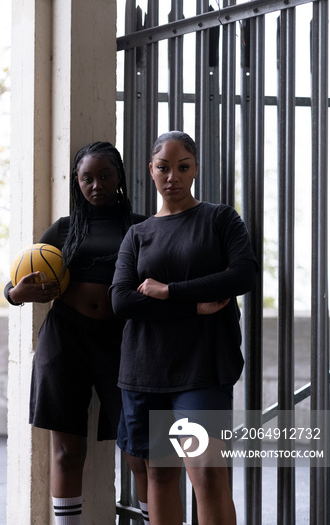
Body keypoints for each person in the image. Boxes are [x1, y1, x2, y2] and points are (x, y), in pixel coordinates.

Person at [110, 131, 258, 525]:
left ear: (195, 170)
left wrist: (167, 290)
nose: (172, 176)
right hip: (144, 369)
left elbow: (242, 276)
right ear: (151, 171)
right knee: (159, 473)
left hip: (202, 368)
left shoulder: (220, 218)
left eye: (182, 167)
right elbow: (122, 300)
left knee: (207, 474)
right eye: (163, 168)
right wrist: (191, 304)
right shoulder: (138, 234)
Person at [4, 142, 147, 524]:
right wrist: (18, 293)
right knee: (67, 451)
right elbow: (16, 284)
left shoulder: (141, 226)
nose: (96, 185)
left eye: (104, 176)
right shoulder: (65, 229)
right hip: (66, 340)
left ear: (118, 176)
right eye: (87, 178)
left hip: (124, 342)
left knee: (141, 450)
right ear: (77, 182)